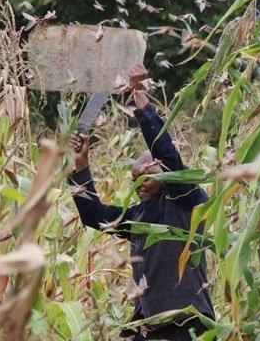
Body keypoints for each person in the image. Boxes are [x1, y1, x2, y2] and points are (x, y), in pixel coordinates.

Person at [67, 64, 215, 340]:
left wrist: (139, 94)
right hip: (149, 325)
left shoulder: (186, 201)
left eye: (144, 178)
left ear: (164, 173)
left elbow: (168, 155)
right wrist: (81, 165)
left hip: (187, 324)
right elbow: (94, 215)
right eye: (133, 178)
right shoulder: (139, 216)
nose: (137, 185)